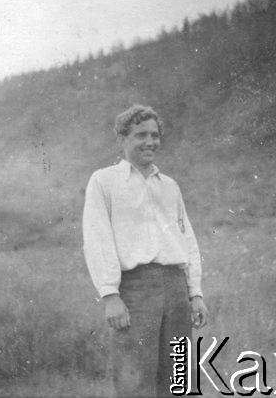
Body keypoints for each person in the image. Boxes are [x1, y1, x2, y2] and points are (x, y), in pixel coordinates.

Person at [83, 104, 208, 398]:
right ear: (123, 139)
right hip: (135, 291)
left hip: (175, 288)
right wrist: (110, 295)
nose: (149, 141)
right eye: (140, 135)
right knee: (134, 378)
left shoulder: (170, 186)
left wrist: (196, 293)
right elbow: (97, 238)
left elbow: (186, 239)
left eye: (154, 135)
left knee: (178, 376)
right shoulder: (104, 182)